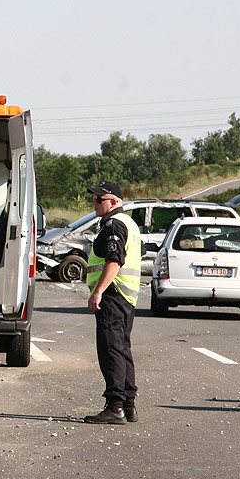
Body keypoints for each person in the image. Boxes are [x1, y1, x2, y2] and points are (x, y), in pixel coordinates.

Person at [83, 181, 141, 425]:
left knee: (111, 350)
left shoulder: (114, 225)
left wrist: (98, 292)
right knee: (122, 348)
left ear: (114, 202)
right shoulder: (129, 223)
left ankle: (115, 406)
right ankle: (128, 405)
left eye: (99, 199)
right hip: (126, 298)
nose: (94, 203)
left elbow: (114, 262)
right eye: (94, 199)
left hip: (113, 295)